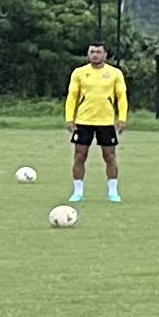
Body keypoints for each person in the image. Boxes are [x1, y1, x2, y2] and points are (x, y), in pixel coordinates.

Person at [65, 43, 126, 202]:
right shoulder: (79, 73)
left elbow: (121, 96)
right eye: (92, 52)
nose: (95, 55)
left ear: (105, 55)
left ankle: (113, 192)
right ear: (88, 54)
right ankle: (77, 192)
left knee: (110, 157)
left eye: (99, 52)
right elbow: (72, 96)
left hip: (105, 122)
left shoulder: (114, 73)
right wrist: (69, 118)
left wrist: (122, 118)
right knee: (79, 156)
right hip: (83, 122)